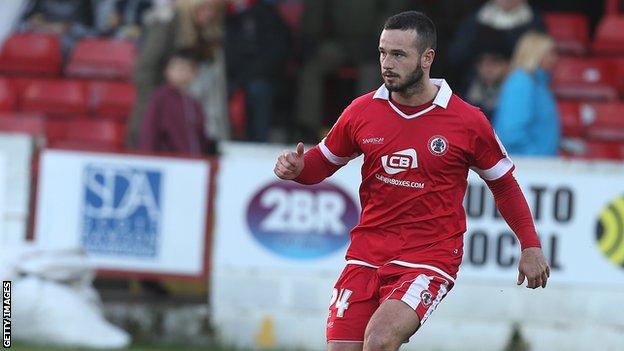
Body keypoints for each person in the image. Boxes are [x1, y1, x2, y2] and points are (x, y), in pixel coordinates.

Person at [274, 12, 550, 351]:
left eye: (398, 54)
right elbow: (321, 164)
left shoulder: (467, 121)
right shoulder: (362, 112)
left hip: (429, 257)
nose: (386, 64)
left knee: (379, 340)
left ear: (427, 58)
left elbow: (504, 184)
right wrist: (297, 168)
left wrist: (530, 244)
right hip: (366, 254)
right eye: (382, 53)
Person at [129, 0, 228, 147]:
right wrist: (156, 105)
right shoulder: (167, 24)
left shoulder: (210, 36)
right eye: (203, 8)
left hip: (192, 110)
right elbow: (144, 70)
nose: (209, 14)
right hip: (162, 110)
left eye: (213, 10)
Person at [224, 0, 290, 142]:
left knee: (258, 89)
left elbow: (277, 52)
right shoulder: (225, 14)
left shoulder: (266, 13)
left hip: (260, 77)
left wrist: (243, 79)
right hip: (231, 77)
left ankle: (259, 143)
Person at [447, 0, 544, 91]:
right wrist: (481, 67)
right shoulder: (475, 20)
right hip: (473, 87)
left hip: (516, 86)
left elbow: (537, 61)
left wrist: (507, 69)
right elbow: (457, 56)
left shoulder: (534, 23)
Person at [493, 32, 560, 156]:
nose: (555, 59)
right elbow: (511, 131)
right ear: (534, 54)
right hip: (527, 166)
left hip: (538, 166)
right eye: (550, 53)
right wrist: (536, 156)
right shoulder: (522, 81)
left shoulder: (540, 84)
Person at [137, 49, 212, 156]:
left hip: (194, 164)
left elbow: (200, 136)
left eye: (185, 69)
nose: (181, 73)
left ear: (194, 73)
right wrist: (147, 158)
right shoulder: (160, 97)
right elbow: (149, 131)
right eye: (177, 68)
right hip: (169, 163)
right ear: (167, 71)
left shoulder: (194, 103)